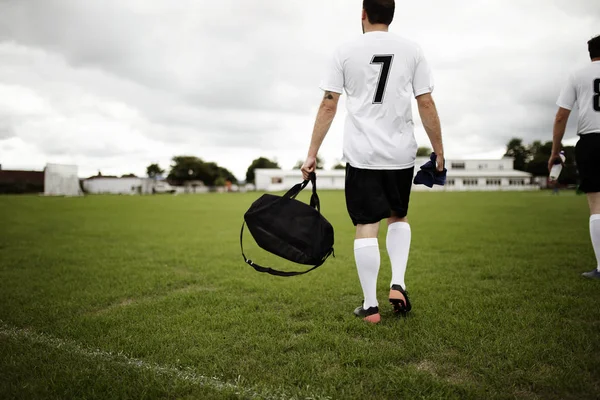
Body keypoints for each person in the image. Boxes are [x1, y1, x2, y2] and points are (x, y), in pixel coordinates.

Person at [300, 0, 445, 323]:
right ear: (391, 15)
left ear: (363, 14)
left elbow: (328, 105)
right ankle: (399, 283)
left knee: (366, 225)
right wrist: (439, 151)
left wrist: (311, 153)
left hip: (363, 154)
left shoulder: (344, 51)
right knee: (399, 216)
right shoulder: (413, 50)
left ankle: (370, 306)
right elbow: (426, 102)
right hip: (400, 153)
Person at [549, 34, 600, 279]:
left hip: (591, 141)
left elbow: (561, 116)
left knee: (596, 205)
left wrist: (555, 151)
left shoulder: (577, 74)